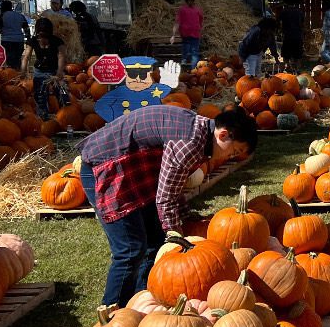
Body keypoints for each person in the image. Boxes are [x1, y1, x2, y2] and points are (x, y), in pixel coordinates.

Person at [79, 105, 258, 308]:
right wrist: (177, 238)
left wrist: (185, 216)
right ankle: (112, 312)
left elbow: (174, 183)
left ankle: (140, 301)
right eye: (234, 151)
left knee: (155, 241)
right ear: (223, 134)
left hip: (134, 172)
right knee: (130, 250)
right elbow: (165, 198)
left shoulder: (200, 132)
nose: (230, 157)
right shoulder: (190, 142)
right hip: (105, 169)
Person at [23, 17, 65, 120]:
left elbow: (61, 56)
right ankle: (43, 117)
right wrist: (23, 70)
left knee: (61, 93)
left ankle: (64, 115)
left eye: (45, 35)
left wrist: (59, 71)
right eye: (40, 35)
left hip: (54, 71)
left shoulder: (57, 41)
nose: (42, 38)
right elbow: (26, 56)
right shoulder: (33, 41)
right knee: (40, 95)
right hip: (39, 71)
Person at [167, 0, 203, 68]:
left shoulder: (183, 10)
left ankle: (186, 63)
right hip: (192, 33)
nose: (190, 2)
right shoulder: (195, 10)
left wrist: (173, 35)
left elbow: (177, 22)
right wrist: (173, 35)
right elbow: (200, 21)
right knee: (193, 52)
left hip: (188, 33)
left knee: (188, 50)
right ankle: (191, 68)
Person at [0, 0, 29, 69]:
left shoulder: (2, 16)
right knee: (17, 59)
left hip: (6, 40)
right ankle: (18, 73)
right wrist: (28, 38)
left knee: (9, 60)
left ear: (3, 7)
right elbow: (26, 28)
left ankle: (11, 74)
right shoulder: (20, 16)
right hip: (19, 40)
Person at [279, 0, 305, 69]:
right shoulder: (299, 12)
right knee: (298, 56)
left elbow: (280, 24)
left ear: (286, 2)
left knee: (286, 56)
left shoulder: (283, 12)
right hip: (297, 37)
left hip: (287, 37)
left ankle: (287, 70)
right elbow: (303, 25)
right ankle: (297, 71)